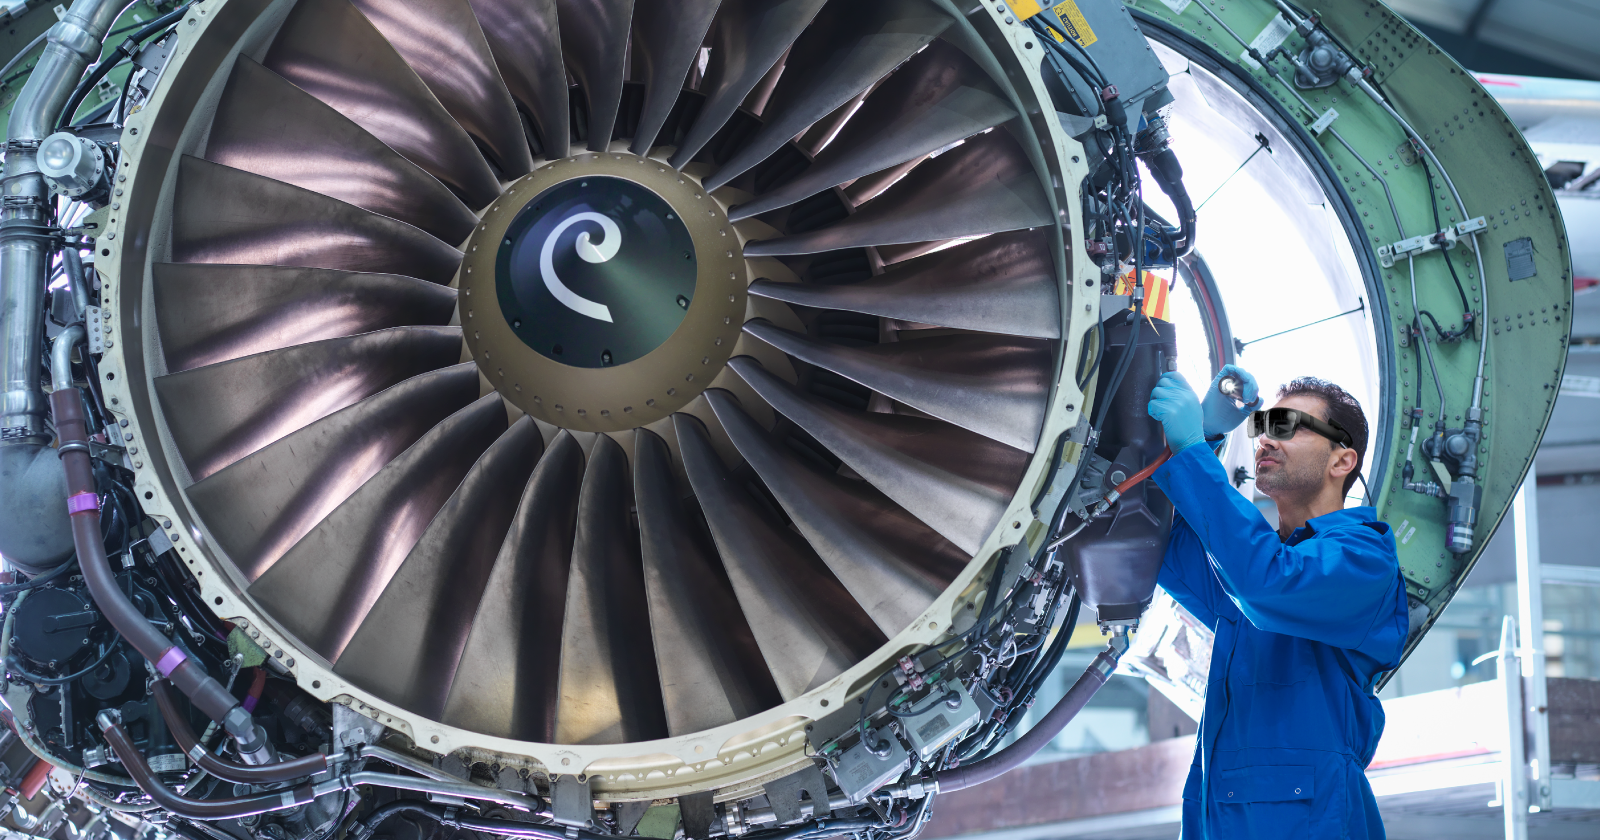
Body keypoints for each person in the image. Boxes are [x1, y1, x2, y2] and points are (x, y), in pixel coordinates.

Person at [1144, 367, 1409, 839]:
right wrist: (1202, 439)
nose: (1266, 440)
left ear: (1341, 461)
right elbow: (1158, 540)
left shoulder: (1365, 559)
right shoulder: (1250, 563)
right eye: (1263, 426)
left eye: (1289, 426)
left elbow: (1265, 586)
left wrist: (1188, 453)